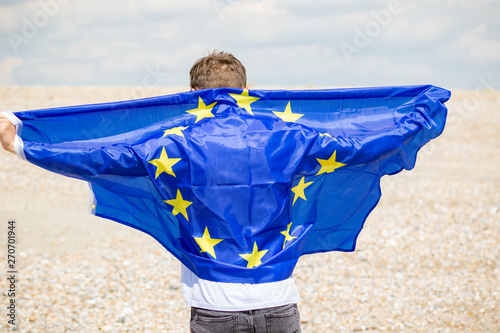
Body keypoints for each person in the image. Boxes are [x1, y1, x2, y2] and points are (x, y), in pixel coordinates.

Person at [0, 51, 303, 333]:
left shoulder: (178, 144)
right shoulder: (288, 136)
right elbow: (349, 146)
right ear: (245, 90)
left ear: (194, 95)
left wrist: (22, 146)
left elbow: (101, 158)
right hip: (279, 303)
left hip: (215, 306)